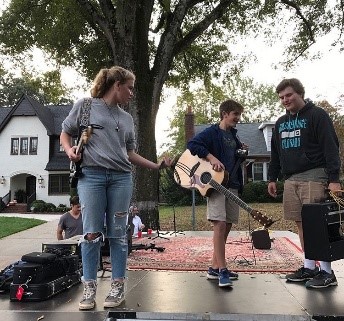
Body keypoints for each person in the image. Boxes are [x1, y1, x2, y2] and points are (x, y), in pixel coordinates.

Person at [60, 66, 171, 310]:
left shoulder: (126, 118)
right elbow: (65, 134)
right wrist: (70, 151)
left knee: (119, 235)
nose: (132, 93)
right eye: (129, 88)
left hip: (121, 178)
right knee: (90, 233)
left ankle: (117, 286)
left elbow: (129, 153)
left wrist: (154, 165)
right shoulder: (86, 106)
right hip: (91, 177)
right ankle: (89, 288)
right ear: (117, 85)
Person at [267, 78, 341, 289]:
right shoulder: (280, 123)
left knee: (319, 225)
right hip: (291, 179)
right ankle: (309, 267)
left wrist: (334, 179)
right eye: (281, 97)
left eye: (288, 95)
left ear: (300, 93)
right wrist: (272, 177)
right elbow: (275, 154)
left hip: (315, 176)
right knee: (301, 224)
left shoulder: (317, 115)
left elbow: (331, 147)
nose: (285, 100)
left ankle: (327, 272)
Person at [187, 99, 246, 287]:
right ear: (225, 114)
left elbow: (232, 157)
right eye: (235, 114)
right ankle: (222, 270)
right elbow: (193, 144)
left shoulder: (233, 136)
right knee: (219, 224)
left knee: (227, 225)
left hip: (233, 183)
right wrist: (211, 157)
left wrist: (241, 151)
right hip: (216, 185)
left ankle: (214, 267)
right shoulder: (212, 132)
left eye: (239, 115)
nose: (238, 118)